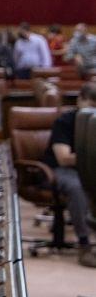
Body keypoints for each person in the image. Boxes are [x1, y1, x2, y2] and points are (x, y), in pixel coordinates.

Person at [46, 82, 96, 267]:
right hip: (62, 170)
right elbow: (64, 158)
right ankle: (84, 245)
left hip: (90, 168)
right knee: (78, 188)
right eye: (91, 105)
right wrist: (91, 154)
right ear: (79, 100)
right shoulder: (65, 121)